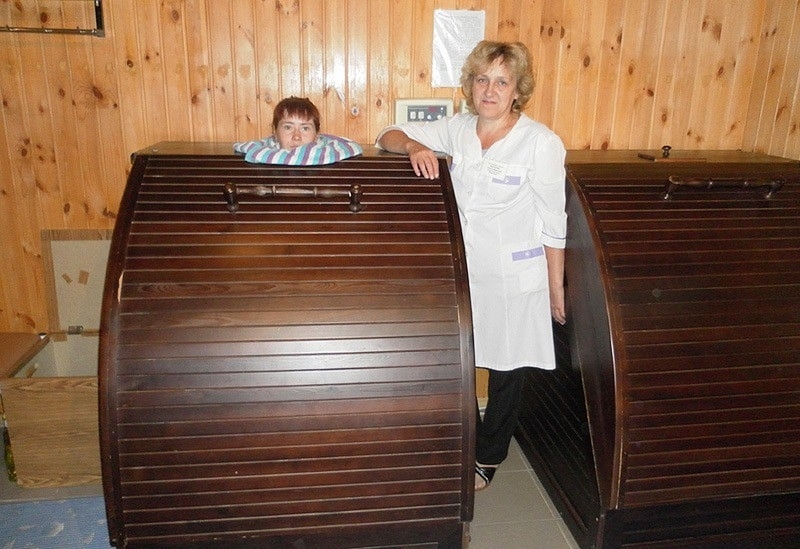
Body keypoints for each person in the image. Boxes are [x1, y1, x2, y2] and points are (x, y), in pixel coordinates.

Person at [375, 41, 567, 491]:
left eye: (501, 81)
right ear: (471, 85)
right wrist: (415, 146)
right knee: (461, 359)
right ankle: (462, 443)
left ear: (517, 89)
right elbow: (386, 134)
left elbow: (554, 223)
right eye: (482, 80)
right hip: (466, 273)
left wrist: (555, 290)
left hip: (516, 275)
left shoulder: (540, 143)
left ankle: (489, 457)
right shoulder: (459, 129)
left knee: (507, 369)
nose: (490, 90)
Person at [234, 96, 362, 165]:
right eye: (288, 127)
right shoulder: (265, 145)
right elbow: (241, 147)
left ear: (317, 134)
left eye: (305, 128)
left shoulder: (327, 148)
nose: (296, 136)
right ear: (275, 132)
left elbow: (354, 147)